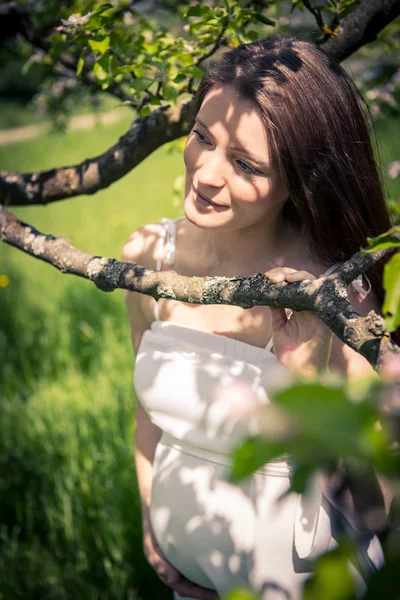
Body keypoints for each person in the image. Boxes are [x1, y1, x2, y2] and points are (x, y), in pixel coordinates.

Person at [122, 34, 393, 600]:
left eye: (245, 164)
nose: (206, 173)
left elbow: (376, 505)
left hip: (294, 574)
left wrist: (306, 376)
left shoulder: (333, 287)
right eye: (201, 136)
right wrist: (151, 517)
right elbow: (148, 413)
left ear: (299, 181)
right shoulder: (151, 257)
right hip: (183, 572)